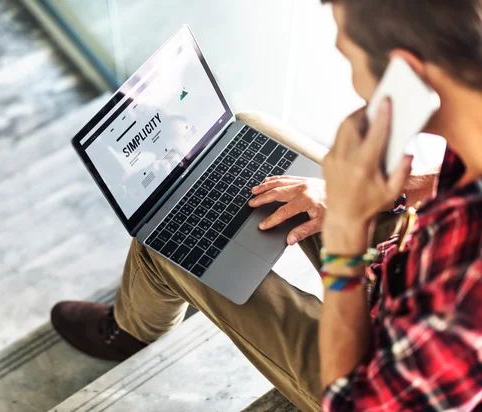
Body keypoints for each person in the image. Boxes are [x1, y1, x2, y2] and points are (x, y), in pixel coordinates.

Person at [51, 0, 482, 410]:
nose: (352, 80)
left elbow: (358, 402)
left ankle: (127, 332)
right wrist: (390, 190)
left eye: (348, 58)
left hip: (376, 374)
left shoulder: (460, 296)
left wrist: (348, 238)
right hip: (412, 258)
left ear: (405, 73)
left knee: (171, 243)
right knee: (252, 130)